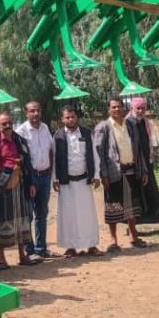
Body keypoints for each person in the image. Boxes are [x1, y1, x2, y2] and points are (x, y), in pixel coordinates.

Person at [94, 97, 149, 251]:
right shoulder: (103, 127)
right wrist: (103, 174)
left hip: (132, 170)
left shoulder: (130, 125)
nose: (117, 109)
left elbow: (138, 149)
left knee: (132, 206)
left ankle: (133, 236)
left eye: (119, 106)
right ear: (108, 109)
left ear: (123, 108)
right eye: (113, 107)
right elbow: (99, 153)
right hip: (113, 173)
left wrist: (144, 169)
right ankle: (113, 240)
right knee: (113, 206)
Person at [0, 112, 40, 268]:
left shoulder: (20, 140)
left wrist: (31, 183)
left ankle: (22, 255)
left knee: (22, 219)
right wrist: (3, 178)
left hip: (21, 184)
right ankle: (2, 259)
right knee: (4, 220)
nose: (7, 126)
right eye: (3, 124)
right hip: (4, 187)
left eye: (9, 123)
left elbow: (28, 163)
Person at [52, 105, 102, 257]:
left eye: (73, 116)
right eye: (67, 117)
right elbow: (53, 158)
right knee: (68, 215)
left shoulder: (86, 133)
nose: (71, 119)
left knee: (87, 215)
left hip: (84, 181)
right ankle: (70, 247)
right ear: (62, 119)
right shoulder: (58, 136)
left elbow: (95, 155)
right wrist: (54, 178)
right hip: (66, 182)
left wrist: (96, 175)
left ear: (76, 117)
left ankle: (91, 245)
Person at [15, 101, 60, 258]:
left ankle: (41, 248)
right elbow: (21, 158)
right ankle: (30, 250)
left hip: (45, 176)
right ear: (26, 112)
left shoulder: (45, 128)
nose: (35, 114)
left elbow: (50, 152)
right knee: (28, 214)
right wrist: (29, 180)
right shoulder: (21, 132)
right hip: (30, 177)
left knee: (42, 213)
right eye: (32, 111)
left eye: (38, 110)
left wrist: (52, 175)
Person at [128, 97, 159, 235]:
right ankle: (132, 229)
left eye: (143, 108)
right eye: (138, 108)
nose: (141, 111)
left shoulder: (145, 123)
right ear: (132, 109)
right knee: (134, 197)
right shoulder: (127, 124)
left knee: (153, 193)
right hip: (133, 166)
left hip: (146, 165)